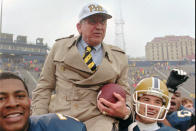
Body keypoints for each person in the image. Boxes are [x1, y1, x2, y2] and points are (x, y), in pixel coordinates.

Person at [31, 2, 131, 131]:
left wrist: (125, 110)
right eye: (93, 22)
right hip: (61, 117)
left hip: (99, 119)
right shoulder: (59, 47)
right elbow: (44, 87)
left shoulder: (119, 57)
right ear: (79, 27)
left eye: (103, 22)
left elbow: (126, 93)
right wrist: (39, 119)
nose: (99, 27)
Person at [0, 71, 87, 131]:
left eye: (20, 96)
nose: (12, 104)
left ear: (29, 102)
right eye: (1, 98)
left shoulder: (58, 126)